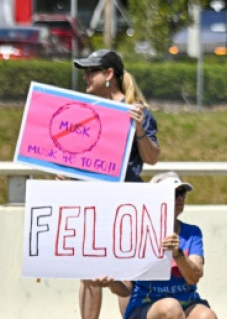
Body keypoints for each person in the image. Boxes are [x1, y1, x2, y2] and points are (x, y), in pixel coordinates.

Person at [73, 49, 162, 319]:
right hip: (92, 202)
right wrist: (62, 172)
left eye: (91, 71)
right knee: (89, 274)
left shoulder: (137, 113)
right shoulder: (84, 111)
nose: (86, 77)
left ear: (109, 74)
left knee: (124, 277)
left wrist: (139, 131)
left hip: (125, 205)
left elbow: (152, 158)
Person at [92, 171, 216, 319]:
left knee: (206, 316)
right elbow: (125, 289)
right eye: (174, 193)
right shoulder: (138, 233)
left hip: (186, 303)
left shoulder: (192, 232)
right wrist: (112, 282)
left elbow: (194, 278)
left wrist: (178, 254)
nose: (181, 198)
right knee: (171, 308)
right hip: (146, 306)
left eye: (182, 193)